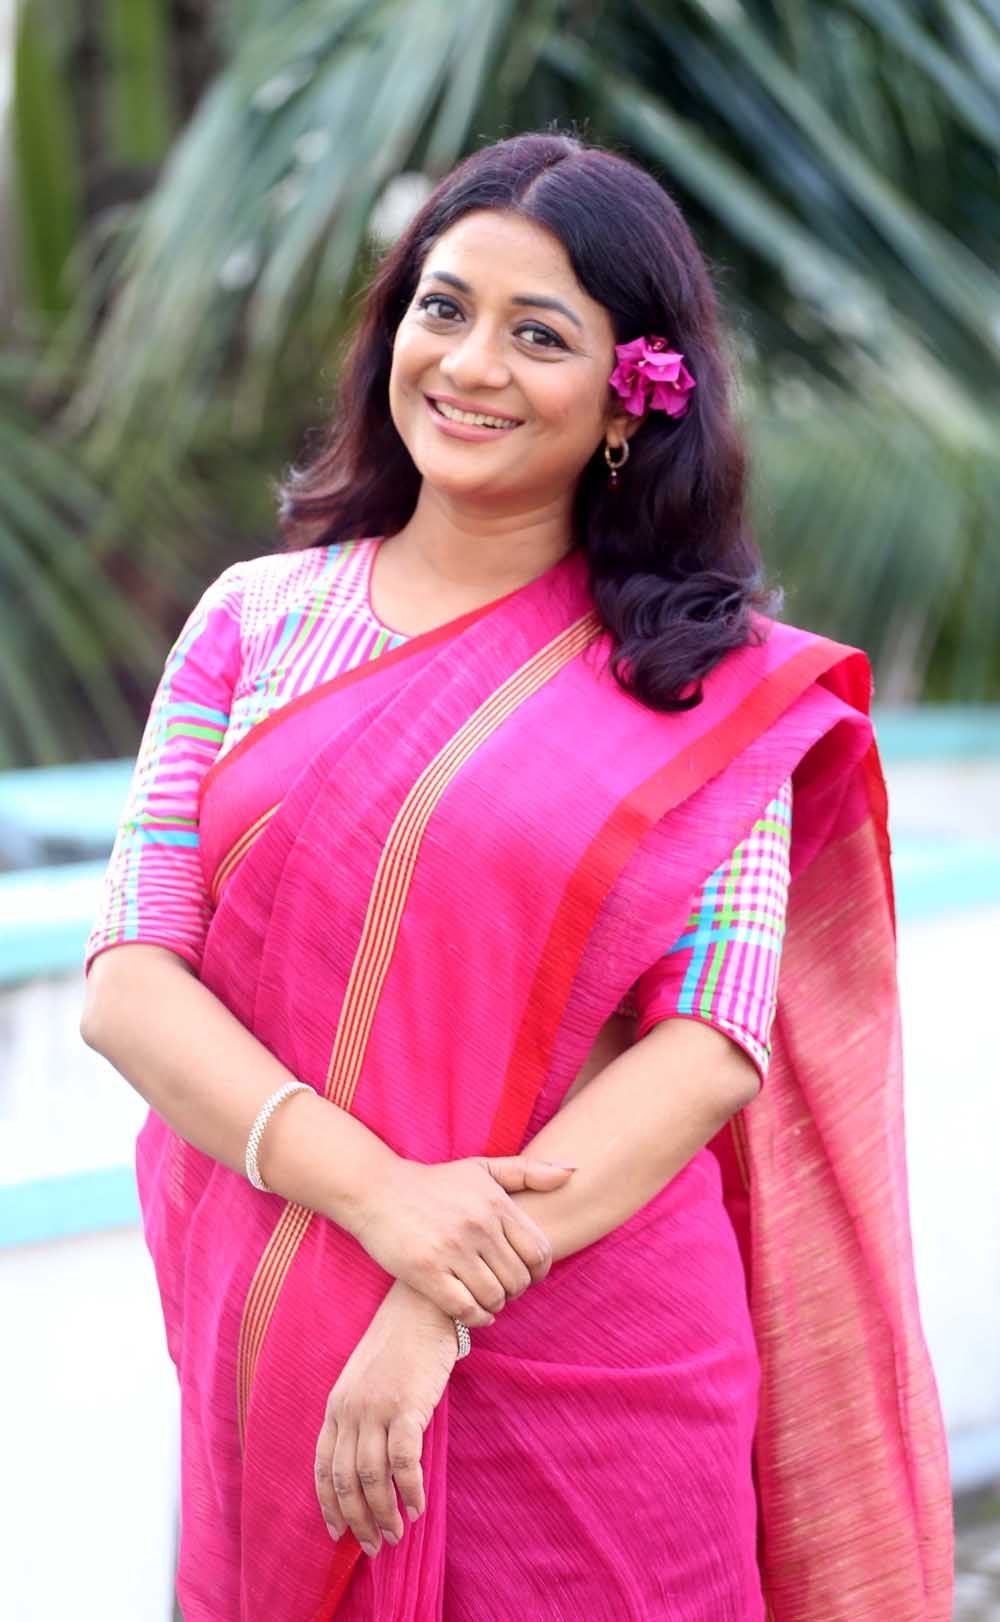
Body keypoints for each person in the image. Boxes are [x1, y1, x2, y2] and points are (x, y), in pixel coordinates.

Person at [81, 131, 952, 1621]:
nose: (471, 364)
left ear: (632, 395)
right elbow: (130, 978)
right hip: (293, 1304)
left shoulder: (707, 685)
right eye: (444, 307)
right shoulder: (256, 621)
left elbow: (710, 1039)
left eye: (539, 334)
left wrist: (439, 1295)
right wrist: (382, 1204)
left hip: (593, 1345)